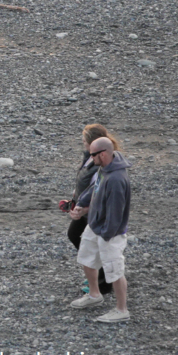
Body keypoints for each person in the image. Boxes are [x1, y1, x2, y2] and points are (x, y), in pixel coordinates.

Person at [69, 137, 131, 322]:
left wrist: (107, 234)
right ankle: (94, 294)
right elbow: (94, 188)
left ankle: (122, 310)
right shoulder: (105, 168)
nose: (90, 158)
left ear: (102, 154)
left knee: (114, 270)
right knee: (86, 257)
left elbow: (116, 212)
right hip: (95, 225)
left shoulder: (116, 179)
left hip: (109, 233)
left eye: (92, 155)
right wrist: (81, 205)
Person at [65, 124, 120, 295]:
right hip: (84, 208)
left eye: (84, 141)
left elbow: (100, 193)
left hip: (95, 212)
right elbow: (85, 181)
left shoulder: (103, 165)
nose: (83, 143)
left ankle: (103, 283)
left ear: (93, 144)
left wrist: (85, 208)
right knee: (74, 235)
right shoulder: (90, 157)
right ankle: (96, 274)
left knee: (99, 246)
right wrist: (75, 196)